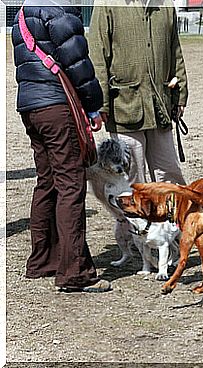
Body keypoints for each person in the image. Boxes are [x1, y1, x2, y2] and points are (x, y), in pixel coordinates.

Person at [12, 0, 111, 292]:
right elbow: (78, 63)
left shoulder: (23, 11)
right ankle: (74, 272)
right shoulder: (59, 10)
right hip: (56, 106)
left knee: (48, 182)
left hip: (30, 106)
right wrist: (94, 106)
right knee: (71, 184)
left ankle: (43, 260)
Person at [88, 0, 189, 186]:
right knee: (133, 173)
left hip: (160, 105)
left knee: (168, 172)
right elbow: (98, 57)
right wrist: (100, 103)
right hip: (124, 106)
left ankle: (173, 214)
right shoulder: (106, 4)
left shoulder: (165, 4)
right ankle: (137, 216)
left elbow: (176, 53)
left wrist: (180, 95)